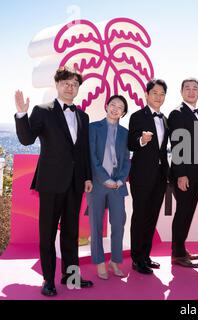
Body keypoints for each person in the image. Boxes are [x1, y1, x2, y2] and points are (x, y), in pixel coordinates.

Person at [14, 66, 93, 297]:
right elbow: (27, 139)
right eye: (66, 83)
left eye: (75, 84)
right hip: (50, 183)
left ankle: (71, 275)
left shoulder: (83, 115)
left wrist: (87, 176)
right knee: (47, 233)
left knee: (71, 232)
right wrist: (21, 114)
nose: (70, 87)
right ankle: (48, 280)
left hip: (75, 183)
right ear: (57, 85)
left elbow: (83, 150)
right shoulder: (42, 110)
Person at [128, 79, 170, 274]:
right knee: (140, 217)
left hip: (160, 176)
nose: (158, 97)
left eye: (162, 94)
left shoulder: (165, 119)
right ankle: (137, 259)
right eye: (154, 93)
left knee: (152, 217)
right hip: (142, 175)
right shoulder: (137, 116)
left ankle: (146, 255)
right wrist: (142, 140)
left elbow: (163, 150)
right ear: (146, 94)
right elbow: (130, 143)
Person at [87, 95, 130, 280]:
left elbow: (127, 159)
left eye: (120, 107)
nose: (115, 108)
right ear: (106, 106)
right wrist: (104, 178)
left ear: (123, 112)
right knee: (96, 224)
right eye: (112, 104)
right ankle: (99, 262)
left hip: (117, 184)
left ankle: (115, 260)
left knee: (119, 224)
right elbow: (91, 156)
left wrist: (120, 180)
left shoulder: (125, 133)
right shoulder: (93, 128)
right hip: (97, 183)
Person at [168, 78, 198, 268]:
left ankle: (181, 249)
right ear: (181, 91)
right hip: (185, 175)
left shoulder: (197, 115)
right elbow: (176, 145)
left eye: (195, 88)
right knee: (183, 212)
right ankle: (177, 254)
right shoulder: (177, 113)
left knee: (188, 212)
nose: (191, 91)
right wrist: (181, 174)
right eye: (187, 88)